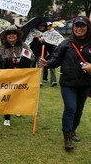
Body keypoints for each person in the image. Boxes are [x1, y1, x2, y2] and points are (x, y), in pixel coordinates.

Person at [40, 16, 91, 151]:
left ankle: (73, 130)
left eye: (82, 26)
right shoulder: (66, 43)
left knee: (79, 110)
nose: (79, 29)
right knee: (70, 108)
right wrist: (47, 64)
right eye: (77, 26)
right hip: (68, 83)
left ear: (87, 28)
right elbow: (56, 60)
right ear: (73, 28)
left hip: (85, 83)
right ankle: (67, 136)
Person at [0, 25, 34, 126]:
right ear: (6, 36)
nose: (11, 36)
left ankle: (17, 108)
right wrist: (10, 61)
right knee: (7, 96)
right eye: (9, 34)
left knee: (18, 95)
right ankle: (7, 117)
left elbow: (32, 57)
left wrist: (21, 60)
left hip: (20, 77)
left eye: (14, 34)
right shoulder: (1, 48)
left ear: (17, 35)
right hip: (7, 76)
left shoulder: (23, 45)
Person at [42, 22, 64, 86]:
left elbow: (61, 40)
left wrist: (56, 44)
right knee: (44, 64)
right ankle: (44, 79)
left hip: (53, 52)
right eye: (47, 26)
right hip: (46, 52)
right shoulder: (44, 33)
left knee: (51, 65)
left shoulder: (55, 33)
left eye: (50, 25)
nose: (48, 27)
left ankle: (53, 81)